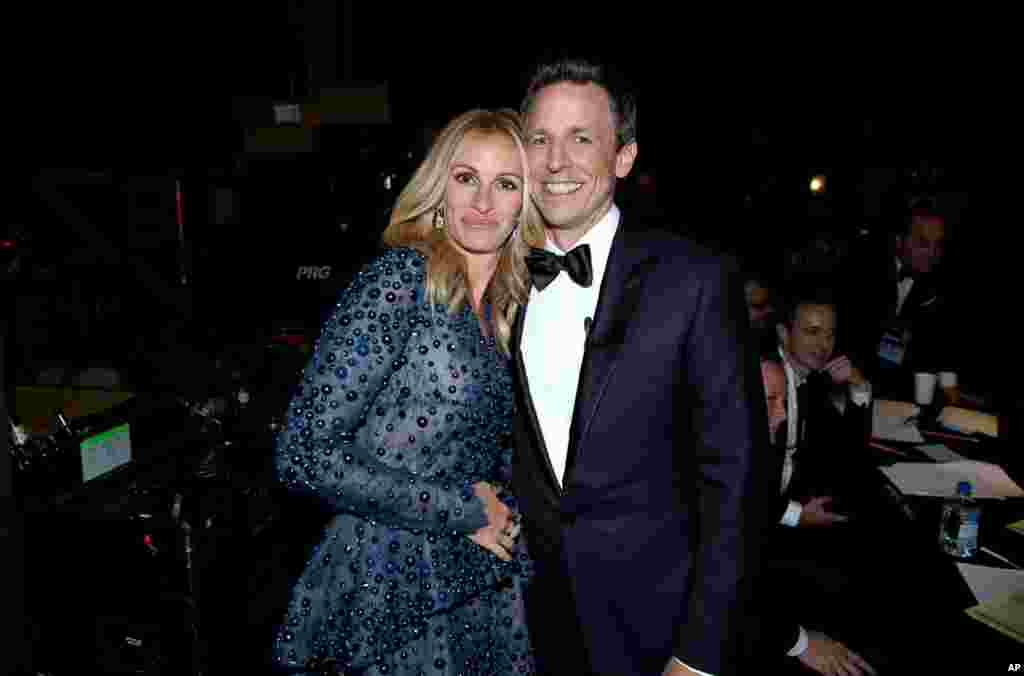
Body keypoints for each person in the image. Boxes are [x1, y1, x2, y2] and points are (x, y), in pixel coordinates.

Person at [510, 56, 767, 676]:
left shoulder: (694, 281)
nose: (555, 162)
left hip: (652, 627)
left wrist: (700, 653)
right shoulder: (494, 275)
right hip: (521, 621)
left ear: (623, 157)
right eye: (539, 139)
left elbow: (736, 481)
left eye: (581, 139)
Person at [270, 109, 545, 675]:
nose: (483, 201)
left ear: (525, 203)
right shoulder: (399, 280)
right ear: (439, 188)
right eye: (466, 178)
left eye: (506, 183)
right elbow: (302, 453)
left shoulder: (511, 310)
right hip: (385, 577)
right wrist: (463, 509)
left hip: (477, 575)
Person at [759, 359, 877, 676]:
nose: (782, 414)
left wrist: (859, 389)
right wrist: (799, 642)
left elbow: (850, 449)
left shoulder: (811, 385)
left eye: (830, 335)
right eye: (770, 401)